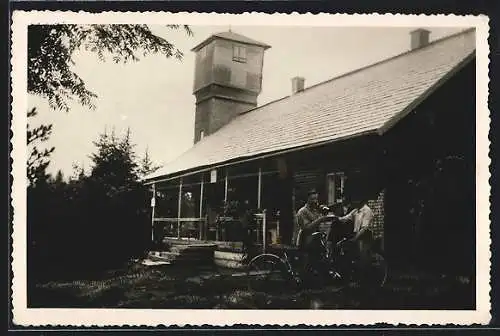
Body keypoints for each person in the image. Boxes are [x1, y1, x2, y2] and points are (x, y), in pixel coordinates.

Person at [292, 189, 330, 274]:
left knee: (316, 263)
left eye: (316, 199)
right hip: (305, 241)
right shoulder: (302, 211)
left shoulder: (315, 210)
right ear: (308, 199)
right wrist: (320, 219)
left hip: (315, 241)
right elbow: (306, 228)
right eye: (312, 199)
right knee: (306, 265)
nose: (315, 201)